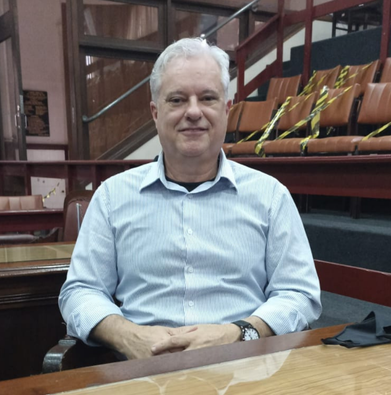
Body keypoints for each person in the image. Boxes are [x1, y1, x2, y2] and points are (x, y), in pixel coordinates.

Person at [59, 37, 321, 360]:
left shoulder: (270, 197)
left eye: (207, 98)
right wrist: (129, 336)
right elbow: (80, 291)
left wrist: (238, 333)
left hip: (244, 370)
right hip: (139, 372)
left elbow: (299, 293)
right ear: (155, 113)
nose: (194, 112)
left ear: (226, 109)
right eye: (177, 100)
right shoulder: (112, 197)